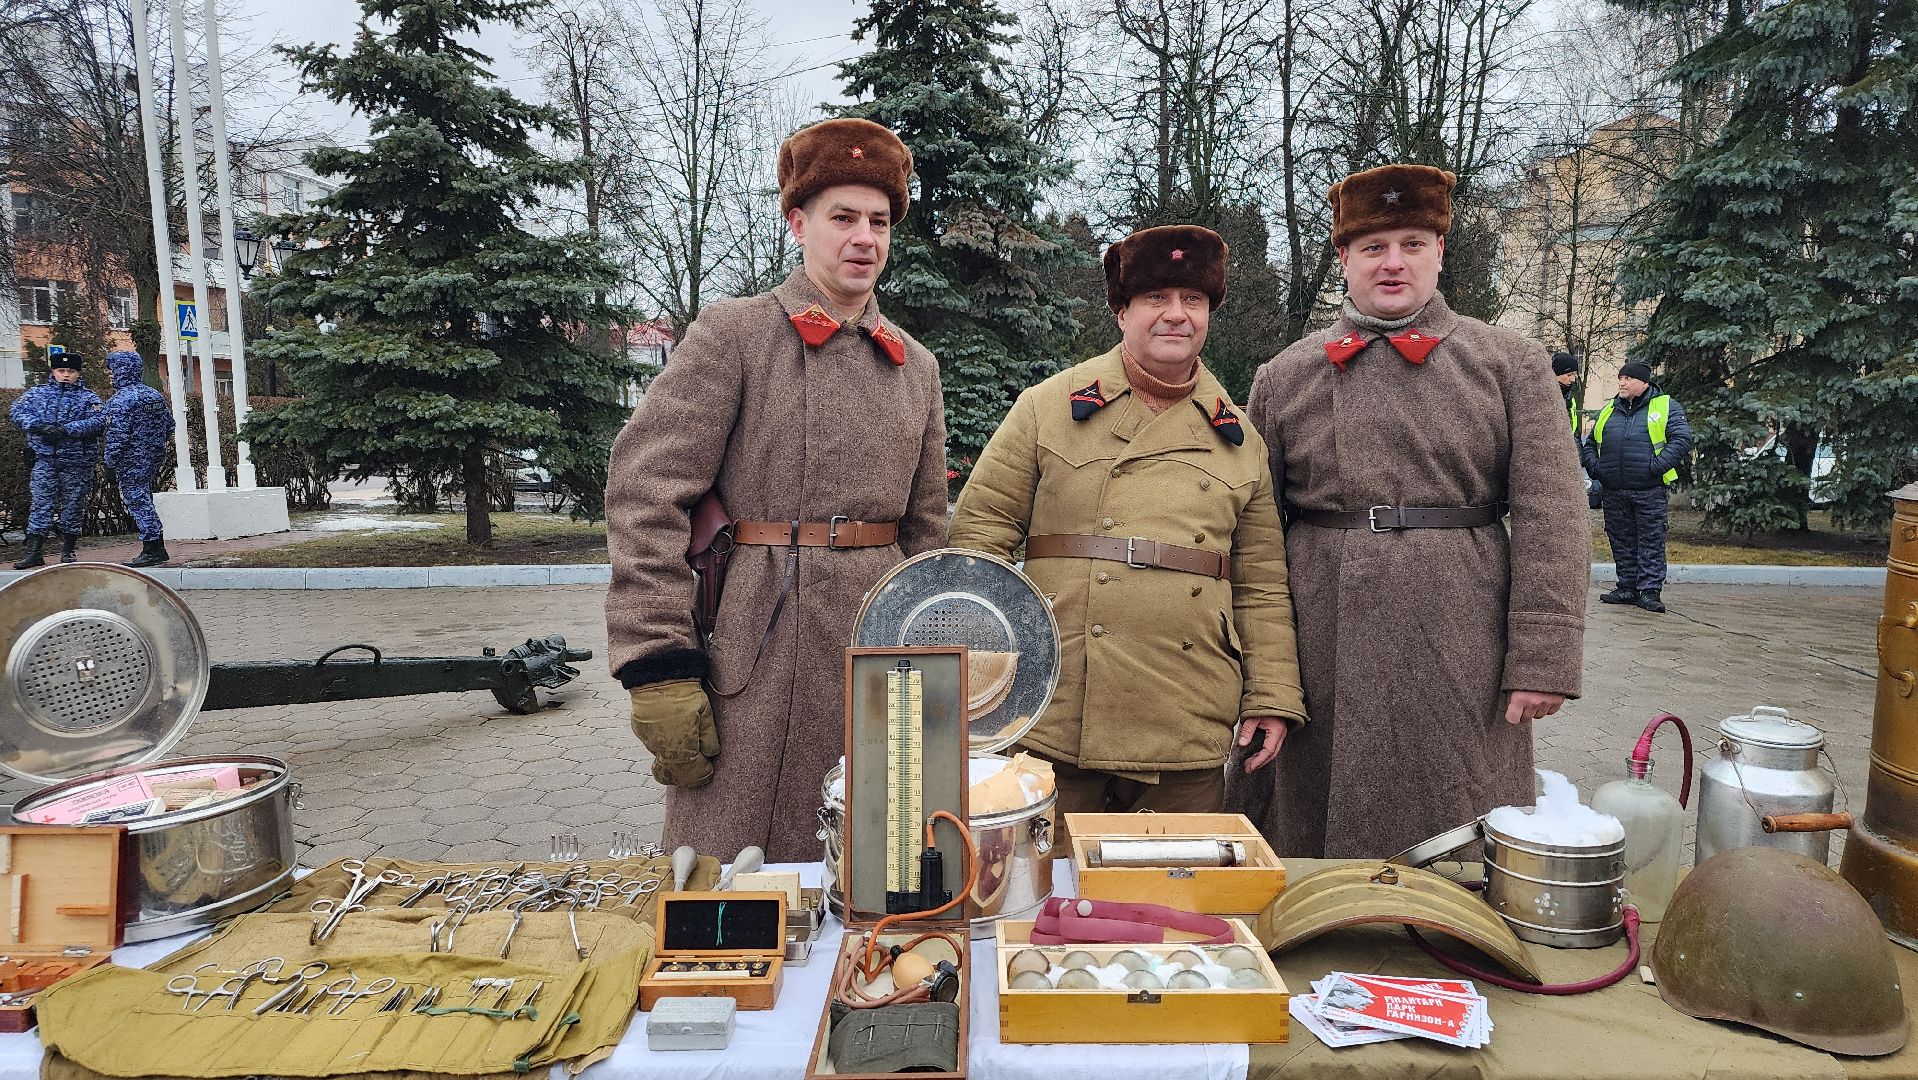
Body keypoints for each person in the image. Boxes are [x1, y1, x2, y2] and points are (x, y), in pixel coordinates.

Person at [603, 118, 949, 862]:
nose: (865, 238)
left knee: (879, 871)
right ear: (798, 224)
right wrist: (657, 657)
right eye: (843, 218)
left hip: (878, 655)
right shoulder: (737, 332)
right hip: (755, 651)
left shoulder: (917, 366)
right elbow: (645, 488)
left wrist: (932, 677)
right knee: (731, 886)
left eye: (880, 221)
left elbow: (927, 534)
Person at [1239, 164, 1590, 859]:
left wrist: (1544, 655)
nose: (1392, 263)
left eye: (1411, 243)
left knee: (1455, 816)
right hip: (1320, 635)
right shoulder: (1285, 376)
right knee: (1309, 820)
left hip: (1462, 633)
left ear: (1440, 251)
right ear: (1343, 259)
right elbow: (1252, 533)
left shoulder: (1509, 364)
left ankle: (1445, 936)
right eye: (1372, 247)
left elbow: (1554, 516)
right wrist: (1259, 672)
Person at [948, 225, 1306, 833]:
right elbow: (979, 537)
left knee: (1170, 902)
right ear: (1121, 312)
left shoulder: (1239, 440)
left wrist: (1272, 692)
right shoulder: (1048, 407)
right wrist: (977, 675)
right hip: (1055, 702)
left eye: (1192, 301)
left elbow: (1262, 584)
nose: (1176, 315)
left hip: (1187, 709)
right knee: (1043, 901)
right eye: (1155, 299)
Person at [1582, 360, 1691, 615]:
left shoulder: (1665, 406)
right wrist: (1597, 469)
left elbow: (1682, 439)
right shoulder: (1609, 409)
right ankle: (1627, 587)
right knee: (1620, 539)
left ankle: (1649, 590)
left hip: (1649, 490)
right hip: (1614, 490)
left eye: (1628, 378)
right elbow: (1590, 444)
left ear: (1643, 382)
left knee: (1650, 539)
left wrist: (1655, 467)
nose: (1621, 382)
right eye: (1620, 378)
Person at [9, 353, 105, 568]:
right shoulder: (37, 394)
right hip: (44, 459)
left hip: (75, 461)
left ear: (78, 373)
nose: (65, 375)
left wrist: (66, 430)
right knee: (41, 505)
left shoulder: (88, 398)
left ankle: (68, 550)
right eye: (61, 371)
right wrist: (39, 426)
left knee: (73, 505)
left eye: (70, 371)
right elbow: (17, 412)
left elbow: (99, 422)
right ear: (53, 372)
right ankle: (34, 551)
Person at [102, 350, 175, 568]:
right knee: (145, 498)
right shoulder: (153, 395)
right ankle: (156, 546)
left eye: (113, 371)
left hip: (131, 460)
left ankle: (153, 547)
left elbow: (117, 437)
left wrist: (109, 462)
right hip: (153, 457)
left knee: (137, 500)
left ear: (119, 371)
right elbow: (169, 426)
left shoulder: (120, 401)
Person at [1553, 351, 1580, 433]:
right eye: (1569, 375)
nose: (1573, 379)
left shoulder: (1571, 397)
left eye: (1574, 374)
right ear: (1556, 375)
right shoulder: (1543, 399)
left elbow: (1575, 432)